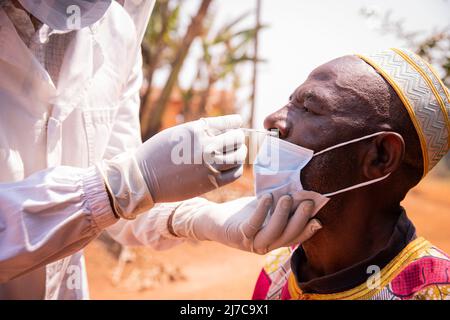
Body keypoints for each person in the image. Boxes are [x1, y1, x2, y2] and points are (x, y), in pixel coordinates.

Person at [0, 1, 319, 299]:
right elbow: (114, 188)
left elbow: (117, 198)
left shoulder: (117, 30)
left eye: (312, 107)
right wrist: (125, 185)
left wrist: (199, 217)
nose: (273, 119)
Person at [251, 48, 450, 300]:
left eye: (310, 109)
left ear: (381, 156)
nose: (272, 119)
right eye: (290, 102)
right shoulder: (278, 267)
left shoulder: (435, 293)